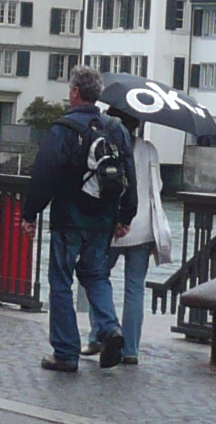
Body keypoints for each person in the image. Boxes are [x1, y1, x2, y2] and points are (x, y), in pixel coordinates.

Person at [20, 66, 136, 372]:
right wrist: (125, 216)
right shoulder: (116, 128)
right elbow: (129, 177)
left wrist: (30, 214)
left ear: (74, 92)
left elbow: (44, 174)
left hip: (68, 218)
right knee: (97, 276)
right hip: (104, 218)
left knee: (61, 282)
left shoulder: (64, 129)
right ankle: (109, 329)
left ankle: (66, 353)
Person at [104, 104, 173, 366]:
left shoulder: (110, 148)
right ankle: (131, 349)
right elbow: (157, 188)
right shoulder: (149, 149)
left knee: (97, 278)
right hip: (144, 229)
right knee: (135, 288)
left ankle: (103, 334)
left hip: (115, 228)